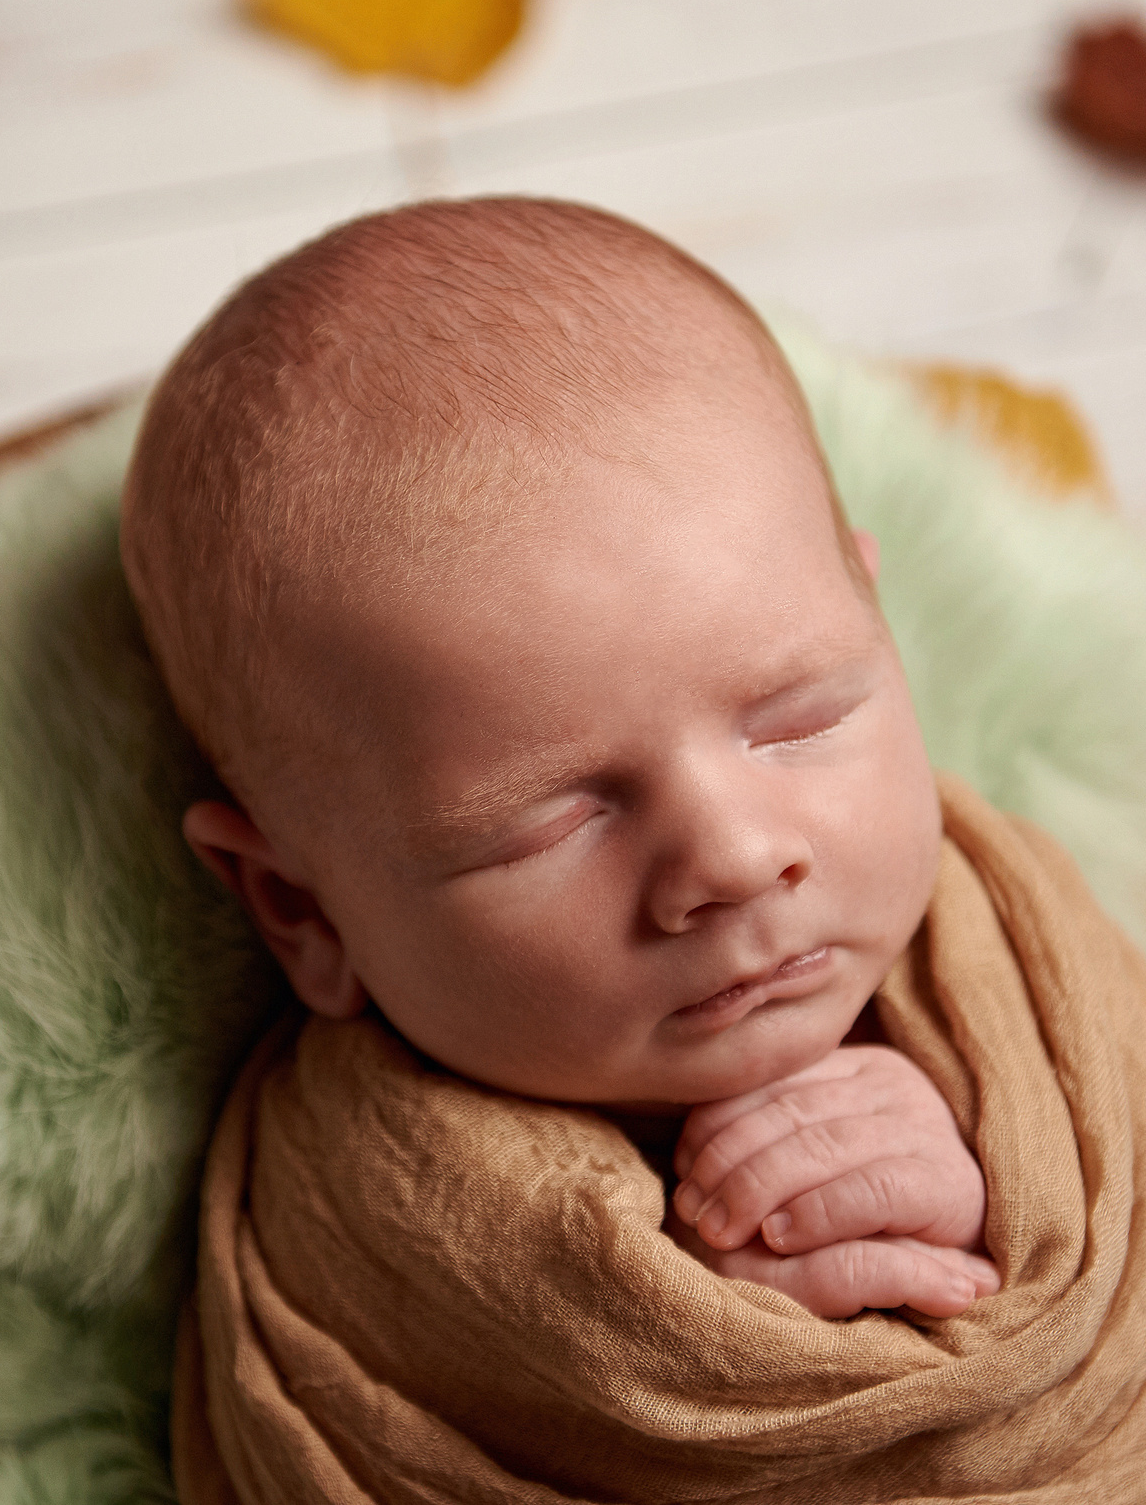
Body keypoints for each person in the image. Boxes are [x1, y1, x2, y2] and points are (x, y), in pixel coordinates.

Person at [122, 194, 993, 1318]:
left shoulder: (1012, 961)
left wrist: (997, 1174)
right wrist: (697, 1331)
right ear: (302, 911)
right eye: (554, 818)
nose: (730, 856)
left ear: (877, 617)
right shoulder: (369, 1210)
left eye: (797, 718)